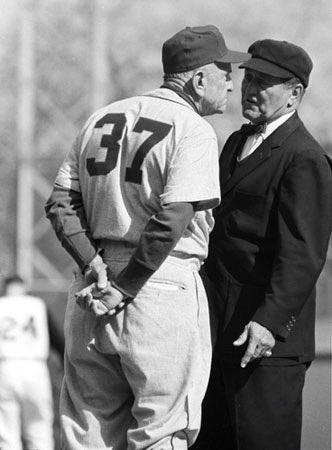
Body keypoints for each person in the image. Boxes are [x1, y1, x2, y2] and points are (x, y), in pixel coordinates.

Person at [45, 25, 249, 450]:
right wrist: (124, 286)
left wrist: (93, 264)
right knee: (162, 432)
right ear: (197, 79)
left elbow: (61, 202)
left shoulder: (102, 116)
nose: (232, 80)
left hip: (91, 286)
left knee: (87, 433)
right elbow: (174, 216)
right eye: (224, 69)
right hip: (158, 284)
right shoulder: (191, 128)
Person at [191, 39, 332, 450]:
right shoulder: (236, 141)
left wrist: (269, 322)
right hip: (218, 334)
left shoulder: (304, 157)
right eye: (248, 77)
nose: (250, 89)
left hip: (265, 346)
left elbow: (303, 254)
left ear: (294, 93)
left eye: (264, 81)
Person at [0, 274, 64, 450]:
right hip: (35, 368)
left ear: (5, 287)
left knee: (6, 432)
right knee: (39, 428)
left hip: (5, 367)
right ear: (23, 286)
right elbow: (58, 341)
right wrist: (66, 365)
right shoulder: (37, 304)